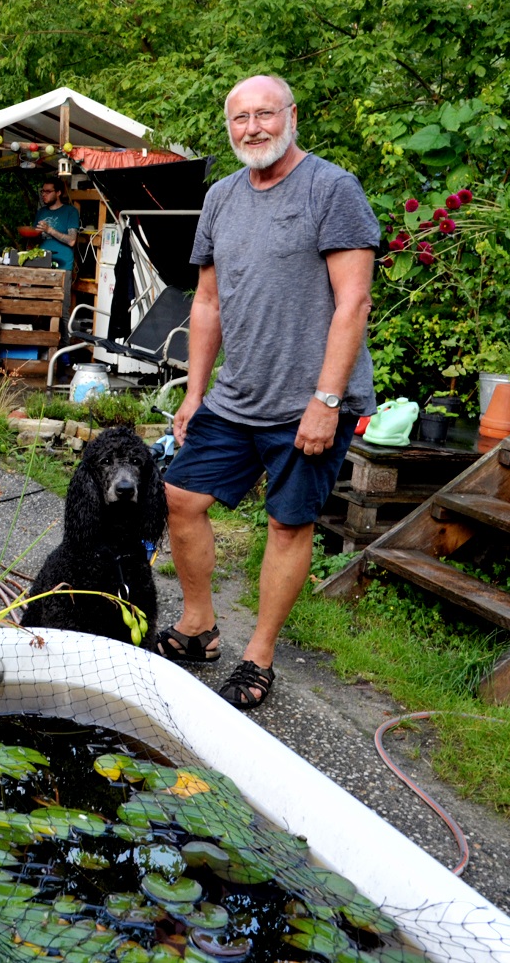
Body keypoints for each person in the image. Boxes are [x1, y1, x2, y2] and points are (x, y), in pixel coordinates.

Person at [159, 75, 378, 711]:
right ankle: (199, 625)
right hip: (235, 395)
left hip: (307, 401)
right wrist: (195, 391)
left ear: (291, 116)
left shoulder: (331, 189)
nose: (252, 128)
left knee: (287, 522)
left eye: (264, 115)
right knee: (179, 497)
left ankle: (258, 657)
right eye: (239, 119)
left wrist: (328, 401)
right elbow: (206, 301)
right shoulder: (222, 197)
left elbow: (353, 302)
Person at [33, 179, 81, 272]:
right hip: (41, 263)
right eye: (43, 191)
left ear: (58, 192)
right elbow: (34, 239)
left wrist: (49, 230)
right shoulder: (41, 212)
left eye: (48, 191)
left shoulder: (70, 211)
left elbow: (72, 241)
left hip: (62, 265)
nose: (43, 194)